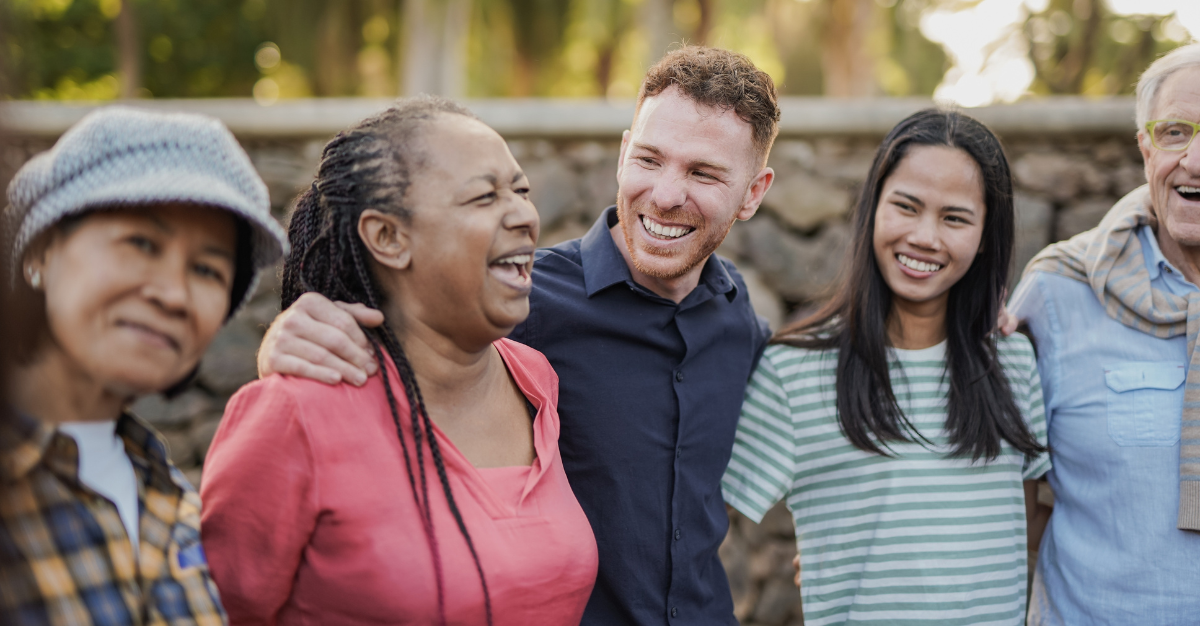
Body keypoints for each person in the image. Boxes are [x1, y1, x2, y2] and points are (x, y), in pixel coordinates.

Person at [256, 46, 778, 624]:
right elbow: (377, 355)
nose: (666, 194)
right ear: (624, 152)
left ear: (754, 192)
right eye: (651, 160)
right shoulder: (518, 305)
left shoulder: (739, 320)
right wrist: (289, 340)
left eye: (703, 172)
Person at [199, 97, 598, 626]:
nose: (524, 214)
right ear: (388, 237)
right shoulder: (297, 411)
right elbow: (207, 611)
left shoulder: (535, 382)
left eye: (521, 191)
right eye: (484, 196)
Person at [723, 109, 1051, 625]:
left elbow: (1024, 523)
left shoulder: (1011, 360)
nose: (925, 236)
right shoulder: (794, 371)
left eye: (955, 217)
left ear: (987, 233)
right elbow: (702, 527)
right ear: (872, 208)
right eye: (907, 206)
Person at [0, 106, 288, 624]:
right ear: (39, 252)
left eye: (206, 269)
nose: (173, 294)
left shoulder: (166, 497)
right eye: (141, 243)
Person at [1009, 44, 1200, 624]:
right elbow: (984, 477)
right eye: (1175, 132)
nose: (1195, 160)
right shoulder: (1058, 293)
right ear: (1146, 149)